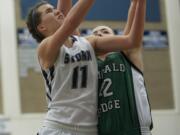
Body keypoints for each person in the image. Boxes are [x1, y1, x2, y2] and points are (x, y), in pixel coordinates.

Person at [26, 0, 146, 134]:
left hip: (89, 130)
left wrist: (140, 3)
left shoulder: (88, 42)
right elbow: (70, 22)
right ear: (42, 27)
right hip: (58, 127)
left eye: (54, 8)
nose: (56, 11)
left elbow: (132, 41)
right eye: (49, 11)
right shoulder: (44, 48)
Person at [92, 0, 153, 135]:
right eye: (95, 33)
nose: (99, 34)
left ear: (115, 39)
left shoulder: (126, 53)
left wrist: (136, 4)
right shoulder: (89, 64)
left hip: (135, 129)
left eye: (104, 31)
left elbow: (131, 29)